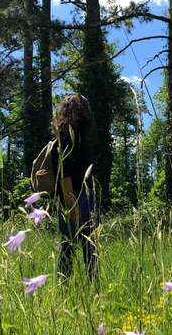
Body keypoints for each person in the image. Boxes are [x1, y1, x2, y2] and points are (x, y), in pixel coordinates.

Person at [50, 94, 99, 280]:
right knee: (75, 246)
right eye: (86, 105)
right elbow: (65, 173)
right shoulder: (68, 135)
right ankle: (73, 288)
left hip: (81, 196)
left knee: (81, 246)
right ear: (80, 110)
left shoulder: (74, 134)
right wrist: (72, 206)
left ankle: (90, 286)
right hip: (75, 198)